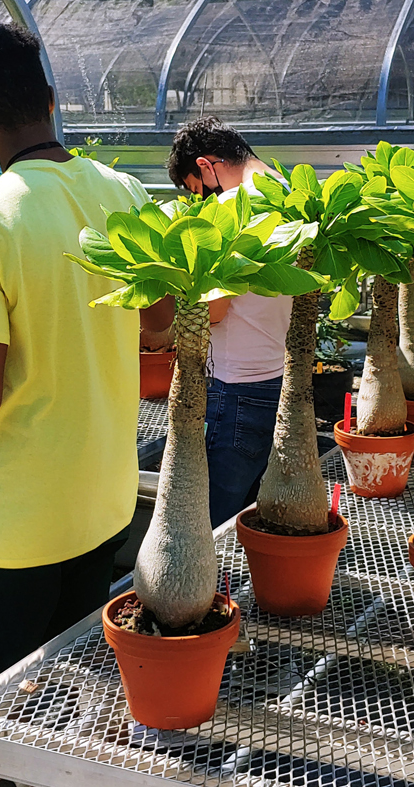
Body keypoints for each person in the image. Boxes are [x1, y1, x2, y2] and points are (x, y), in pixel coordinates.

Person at [0, 25, 171, 784]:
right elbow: (158, 323)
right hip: (100, 499)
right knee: (65, 687)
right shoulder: (122, 192)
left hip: (13, 522)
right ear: (52, 101)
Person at [166, 117, 292, 527]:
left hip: (234, 388)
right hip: (277, 378)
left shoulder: (228, 208)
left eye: (195, 189)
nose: (199, 200)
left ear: (206, 166)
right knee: (252, 515)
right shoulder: (285, 193)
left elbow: (215, 311)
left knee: (210, 520)